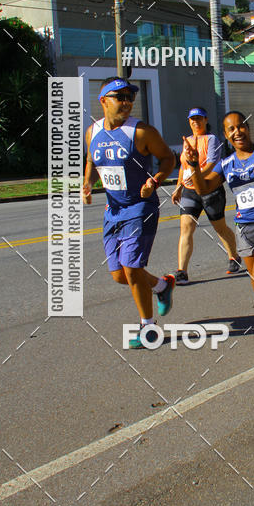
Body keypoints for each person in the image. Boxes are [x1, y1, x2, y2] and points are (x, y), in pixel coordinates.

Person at [182, 111, 254, 356]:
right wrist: (193, 164)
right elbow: (203, 188)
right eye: (231, 129)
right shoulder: (227, 164)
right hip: (246, 230)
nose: (237, 132)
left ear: (248, 127)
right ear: (226, 135)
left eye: (241, 126)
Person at [82, 77, 176, 348]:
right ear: (103, 101)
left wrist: (155, 180)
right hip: (113, 210)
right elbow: (91, 160)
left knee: (132, 268)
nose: (126, 102)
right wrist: (88, 183)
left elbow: (168, 159)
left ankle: (148, 328)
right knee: (119, 275)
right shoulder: (93, 132)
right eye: (119, 97)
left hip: (140, 207)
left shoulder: (142, 132)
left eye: (129, 97)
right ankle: (161, 286)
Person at [171, 107, 240, 283]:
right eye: (193, 119)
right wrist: (178, 187)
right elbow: (184, 167)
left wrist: (198, 177)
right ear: (189, 121)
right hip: (189, 191)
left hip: (210, 189)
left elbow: (211, 163)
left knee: (220, 228)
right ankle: (182, 271)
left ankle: (234, 257)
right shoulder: (187, 141)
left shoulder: (212, 140)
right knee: (186, 228)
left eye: (199, 119)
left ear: (205, 120)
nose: (196, 122)